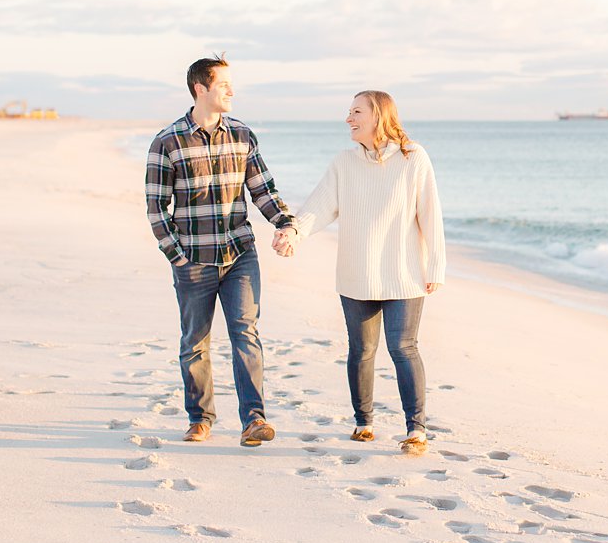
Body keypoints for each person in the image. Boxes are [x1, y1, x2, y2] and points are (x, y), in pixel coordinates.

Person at [273, 91, 445, 455]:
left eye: (356, 112)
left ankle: (417, 429)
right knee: (362, 351)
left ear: (378, 115)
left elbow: (430, 214)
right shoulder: (344, 163)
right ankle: (363, 421)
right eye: (349, 112)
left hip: (404, 273)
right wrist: (294, 232)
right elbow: (319, 206)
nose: (348, 119)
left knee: (403, 347)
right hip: (356, 273)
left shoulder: (414, 158)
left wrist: (436, 266)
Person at [145, 55, 298, 447]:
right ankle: (200, 418)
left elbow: (263, 189)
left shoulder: (243, 135)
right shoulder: (168, 140)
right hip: (193, 260)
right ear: (201, 88)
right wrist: (177, 255)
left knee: (245, 334)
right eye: (224, 84)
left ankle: (254, 420)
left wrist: (286, 224)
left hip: (239, 254)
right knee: (194, 341)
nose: (232, 91)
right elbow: (156, 208)